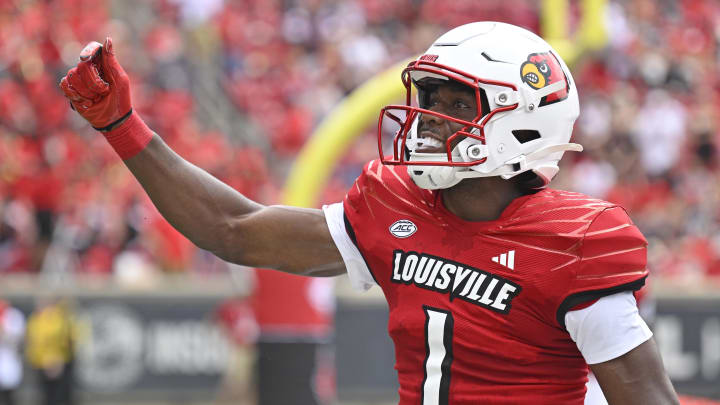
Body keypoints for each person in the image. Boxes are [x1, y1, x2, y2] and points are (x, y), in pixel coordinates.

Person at [59, 21, 680, 404]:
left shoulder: (576, 240)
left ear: (521, 120)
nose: (426, 117)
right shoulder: (393, 205)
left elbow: (647, 400)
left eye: (452, 102)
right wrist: (121, 125)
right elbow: (236, 230)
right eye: (427, 98)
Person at [0, 300, 25, 405]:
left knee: (9, 394)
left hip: (9, 358)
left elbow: (18, 339)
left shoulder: (14, 316)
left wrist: (4, 334)